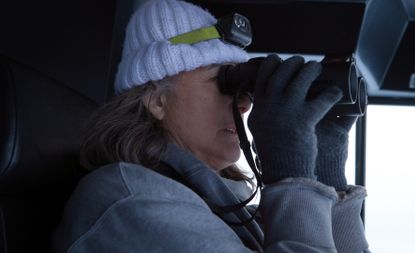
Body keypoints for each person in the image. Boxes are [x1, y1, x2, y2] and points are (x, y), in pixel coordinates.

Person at [51, 0, 370, 252]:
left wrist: (327, 173)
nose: (244, 104)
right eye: (225, 83)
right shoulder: (132, 202)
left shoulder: (229, 203)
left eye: (245, 88)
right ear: (157, 101)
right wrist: (291, 177)